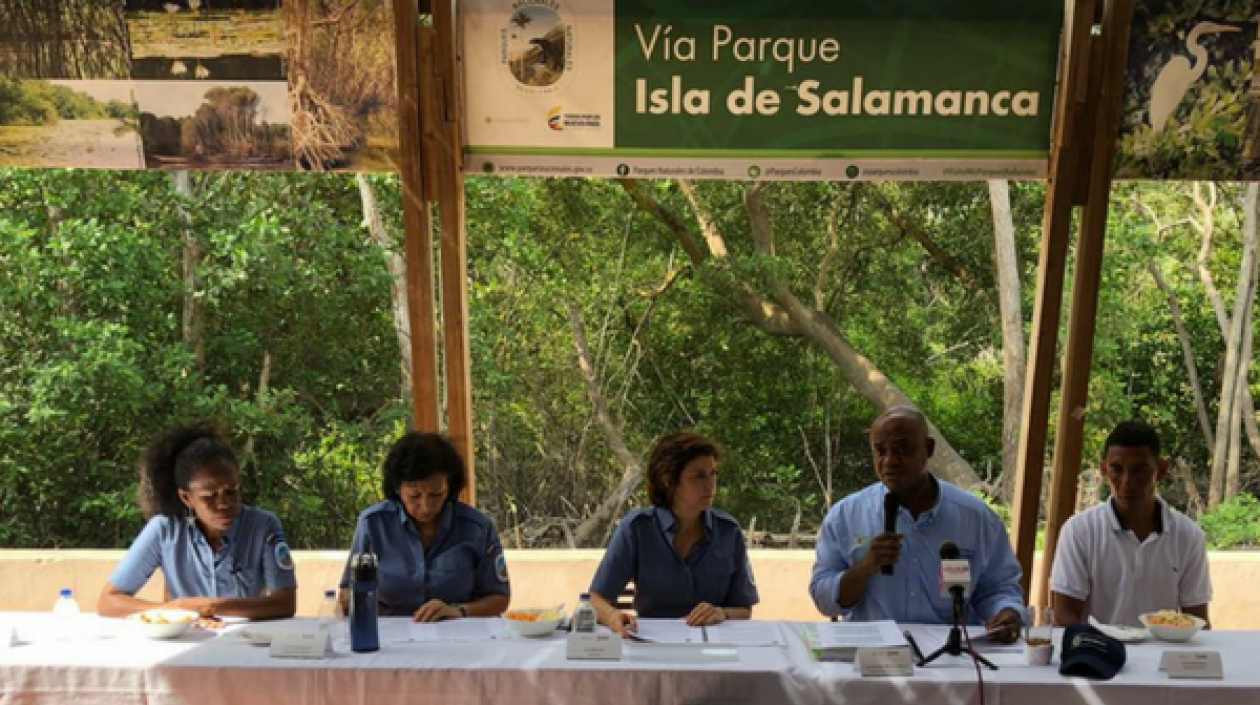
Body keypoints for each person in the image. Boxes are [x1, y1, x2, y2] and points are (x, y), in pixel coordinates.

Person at [809, 407, 1024, 642]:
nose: (890, 460)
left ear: (929, 449)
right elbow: (823, 599)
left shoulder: (976, 518)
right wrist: (866, 567)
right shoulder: (846, 516)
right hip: (873, 656)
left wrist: (1006, 612)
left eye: (902, 448)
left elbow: (999, 589)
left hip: (954, 657)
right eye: (880, 451)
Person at [97, 423, 297, 619]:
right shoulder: (164, 530)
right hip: (187, 640)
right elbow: (109, 600)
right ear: (186, 498)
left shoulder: (263, 526)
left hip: (247, 642)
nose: (223, 503)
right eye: (209, 496)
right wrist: (176, 610)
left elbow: (285, 603)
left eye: (231, 491)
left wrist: (212, 606)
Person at [589, 431, 758, 635]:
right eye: (699, 476)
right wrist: (612, 616)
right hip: (652, 644)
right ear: (668, 481)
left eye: (713, 473)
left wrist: (722, 613)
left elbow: (744, 610)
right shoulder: (637, 529)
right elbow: (595, 600)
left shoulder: (728, 532)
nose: (710, 484)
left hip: (713, 647)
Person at [1050, 420, 1211, 628]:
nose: (1127, 481)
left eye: (1140, 470)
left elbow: (1197, 621)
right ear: (1104, 470)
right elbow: (1064, 617)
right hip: (1099, 654)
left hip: (1161, 656)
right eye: (1117, 469)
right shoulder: (1079, 531)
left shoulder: (1188, 536)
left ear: (1160, 471)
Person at [341, 431, 510, 621]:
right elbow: (347, 592)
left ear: (449, 487)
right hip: (389, 636)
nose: (425, 506)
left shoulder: (477, 528)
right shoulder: (373, 524)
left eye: (436, 495)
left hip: (457, 635)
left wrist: (458, 610)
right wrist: (357, 602)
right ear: (398, 488)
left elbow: (500, 598)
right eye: (414, 496)